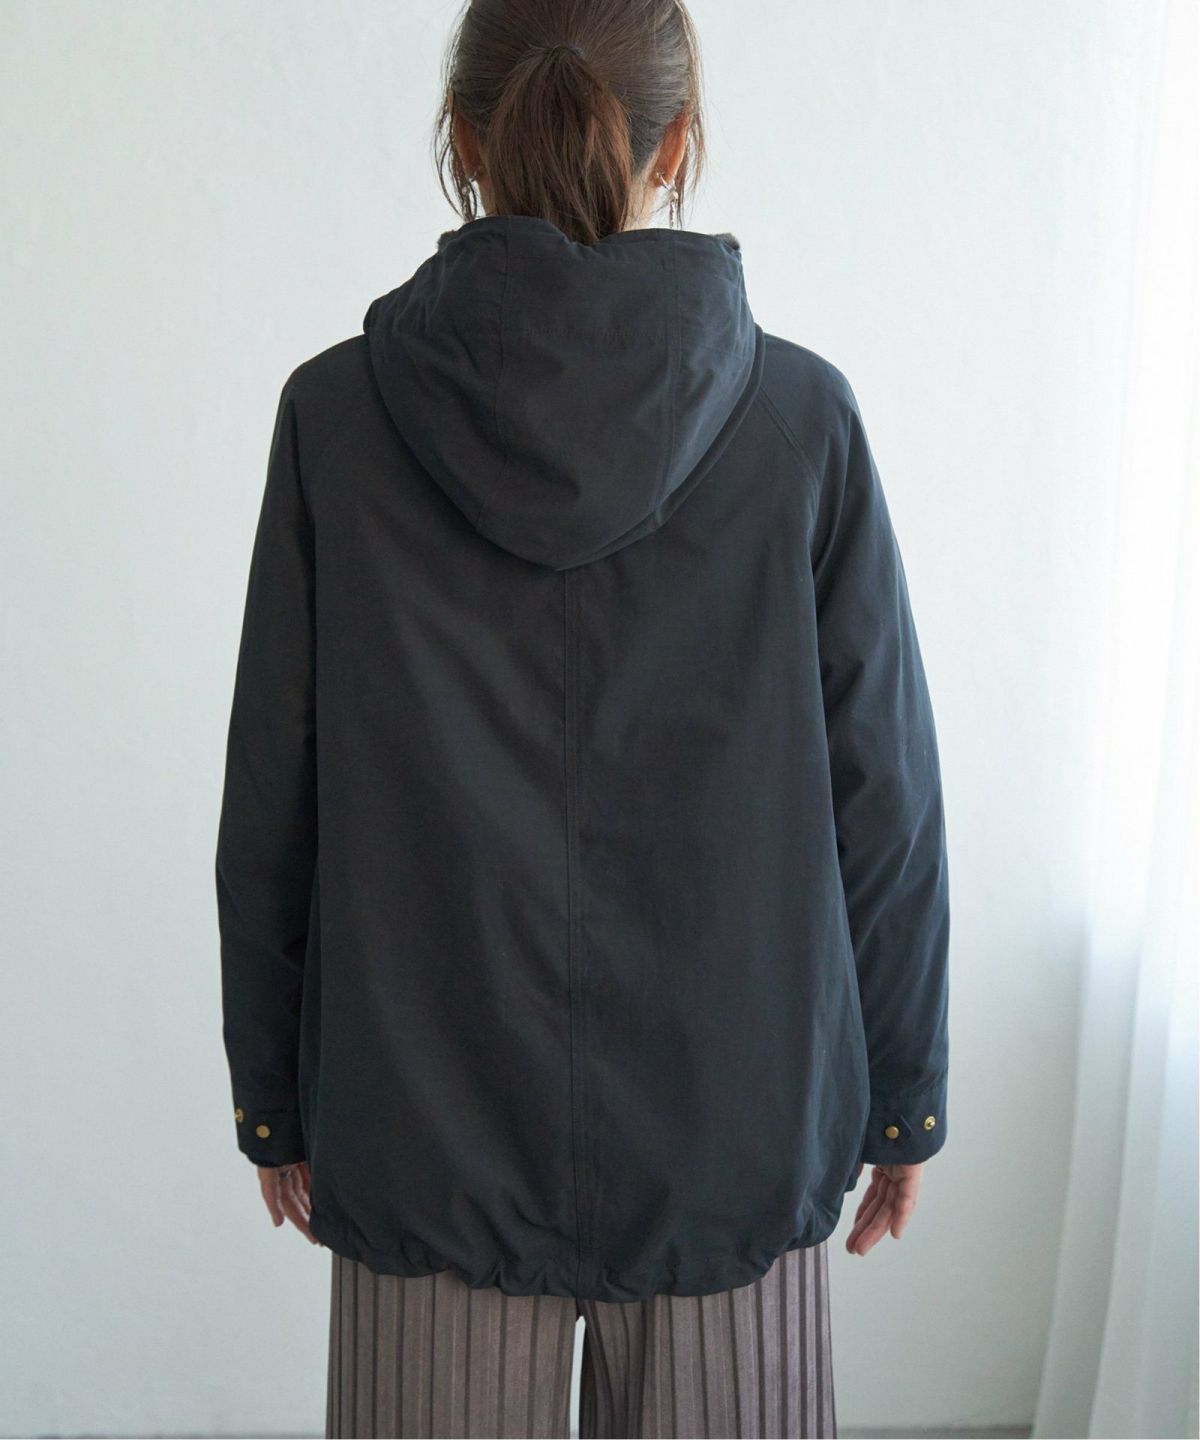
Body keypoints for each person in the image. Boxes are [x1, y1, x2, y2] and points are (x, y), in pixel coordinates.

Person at [214, 2, 951, 1436]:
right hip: (735, 1132)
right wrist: (904, 1091)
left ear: (464, 138)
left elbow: (273, 793)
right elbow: (888, 797)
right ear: (679, 144)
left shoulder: (336, 419)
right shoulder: (803, 423)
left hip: (421, 1126)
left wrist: (275, 1097)